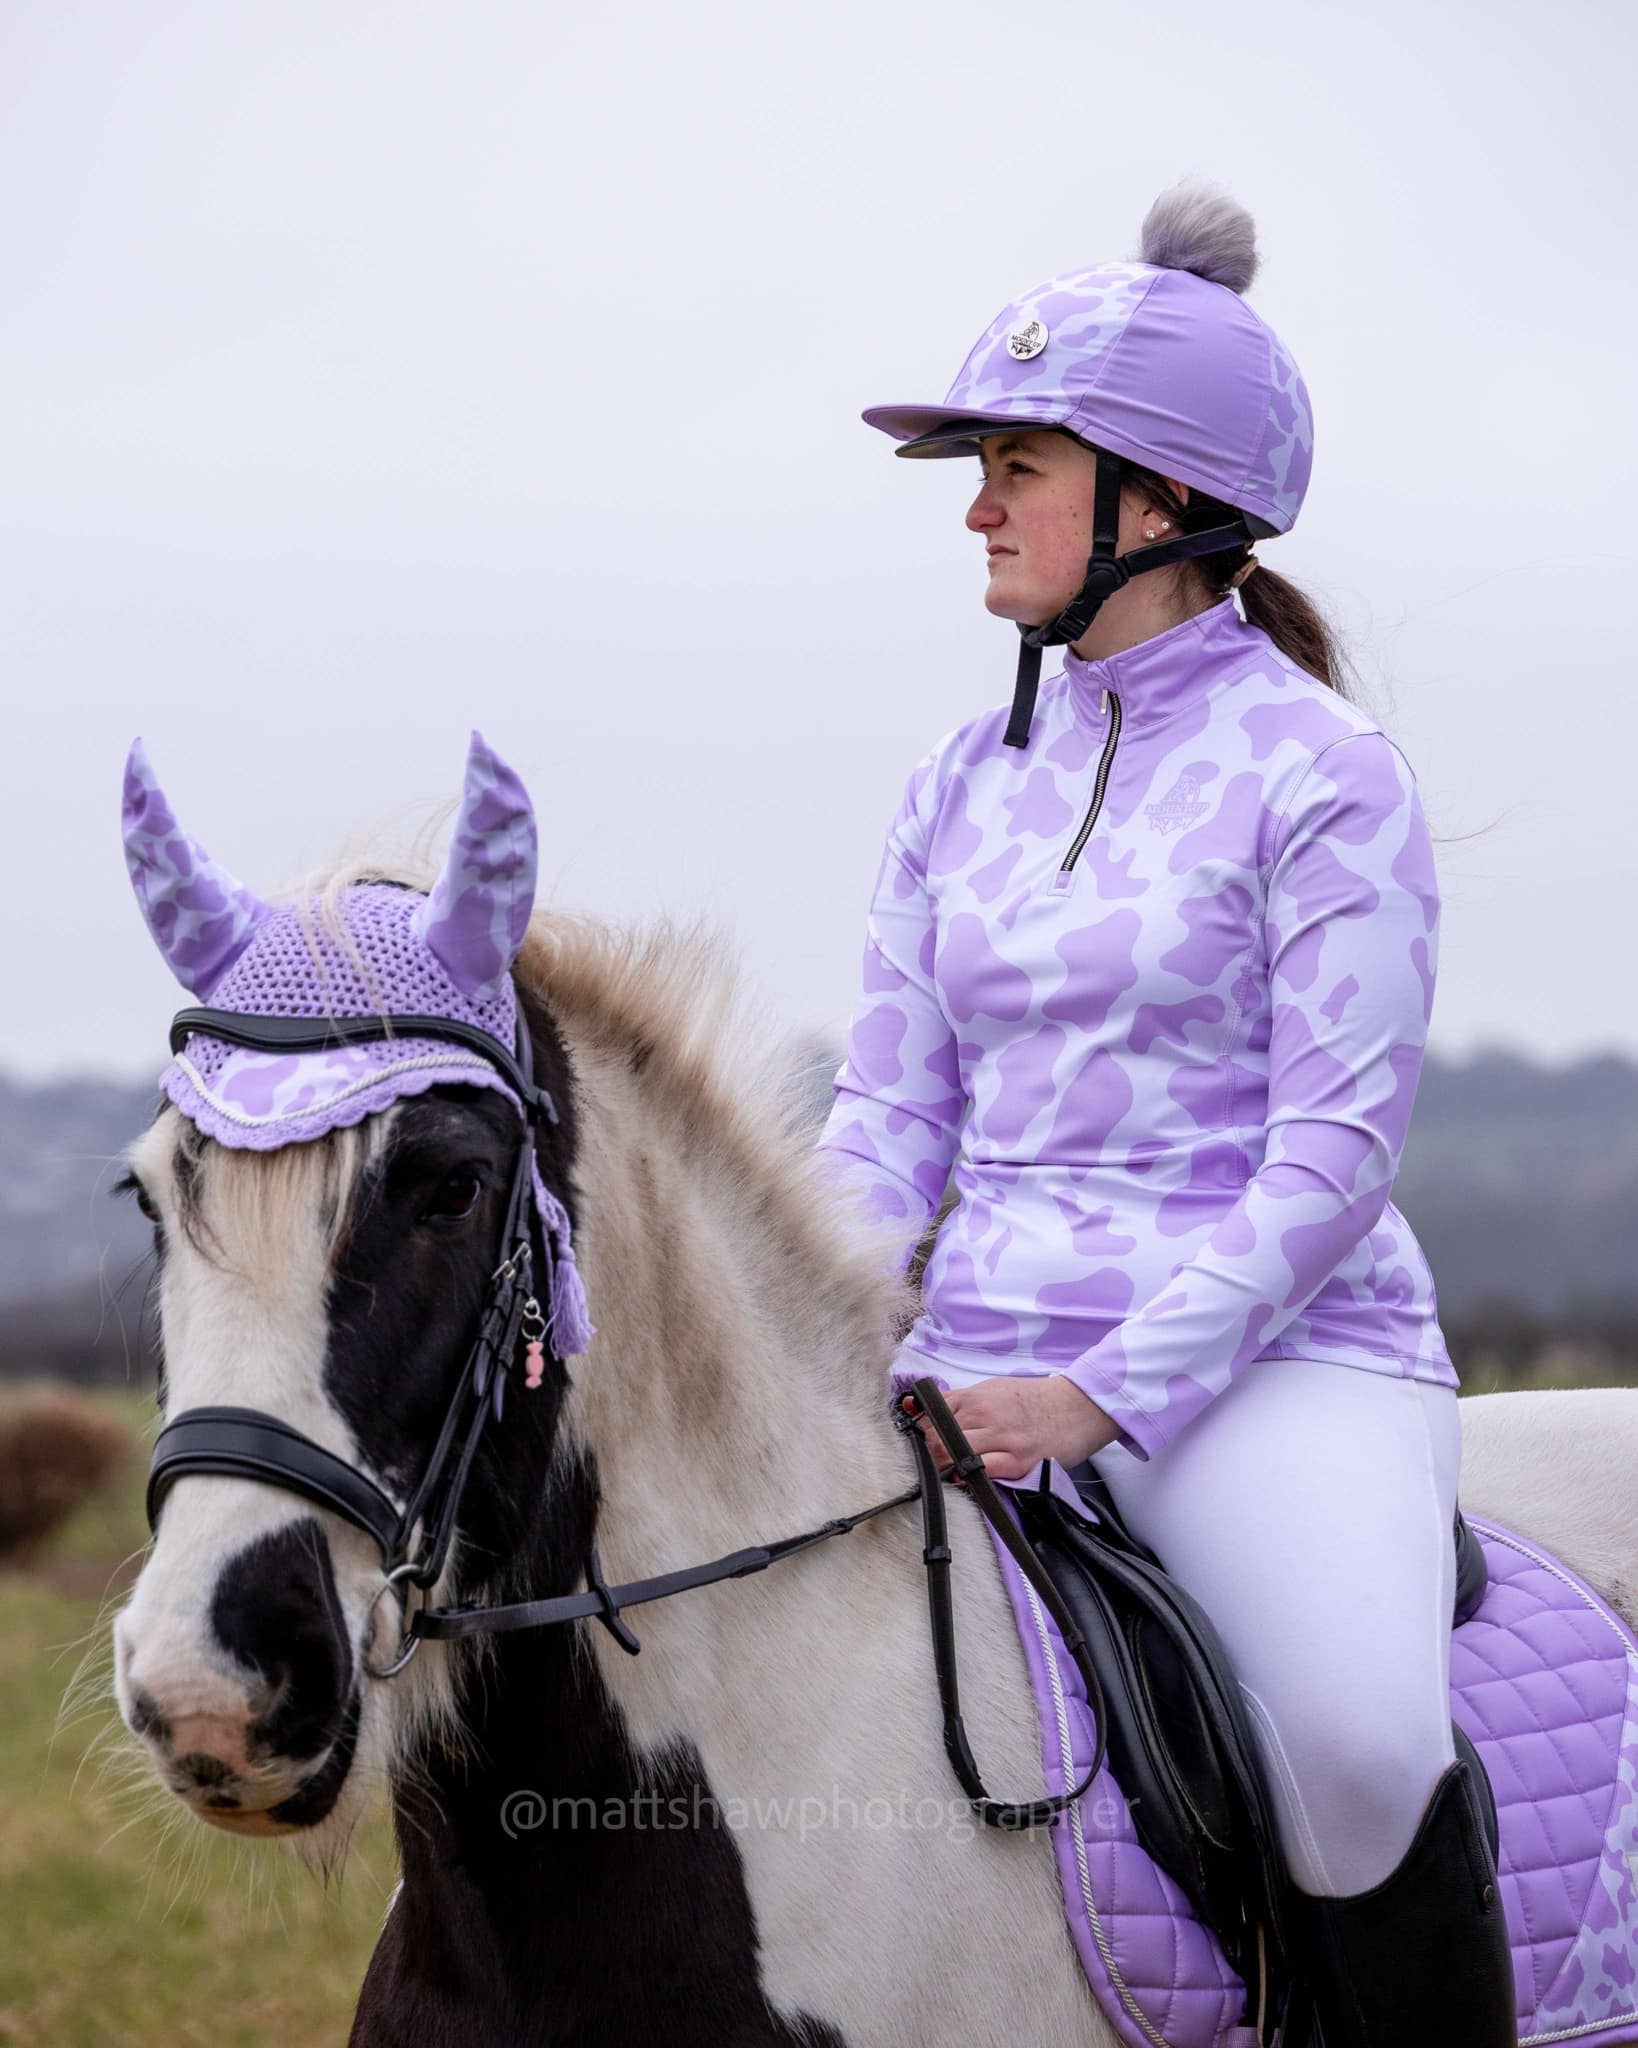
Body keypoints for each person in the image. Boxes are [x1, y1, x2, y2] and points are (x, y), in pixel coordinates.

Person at [813, 180, 1515, 2045]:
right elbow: (887, 1124)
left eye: (1013, 463)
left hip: (1274, 1363)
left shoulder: (1326, 773)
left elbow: (1332, 1158)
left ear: (1158, 500)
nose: (972, 503)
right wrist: (803, 1332)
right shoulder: (952, 784)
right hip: (963, 1354)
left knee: (1361, 1750)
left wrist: (1105, 1392)